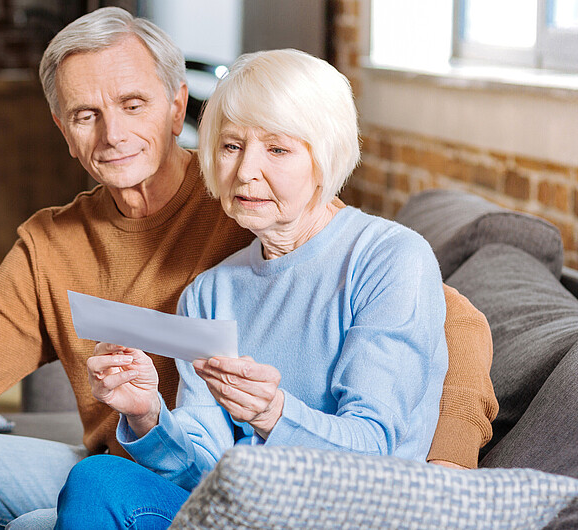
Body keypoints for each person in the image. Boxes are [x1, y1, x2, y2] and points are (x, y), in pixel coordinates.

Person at [0, 8, 497, 529]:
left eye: (133, 104)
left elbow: (453, 326)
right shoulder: (72, 250)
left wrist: (443, 476)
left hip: (296, 484)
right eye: (86, 115)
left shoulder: (252, 206)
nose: (112, 134)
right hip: (157, 466)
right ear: (62, 127)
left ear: (175, 103)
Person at [56, 48, 449, 529]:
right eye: (231, 146)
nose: (245, 172)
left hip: (347, 516)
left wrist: (273, 413)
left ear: (324, 158)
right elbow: (203, 471)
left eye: (278, 149)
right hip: (243, 513)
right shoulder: (210, 292)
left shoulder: (390, 258)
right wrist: (147, 417)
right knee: (98, 479)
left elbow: (375, 451)